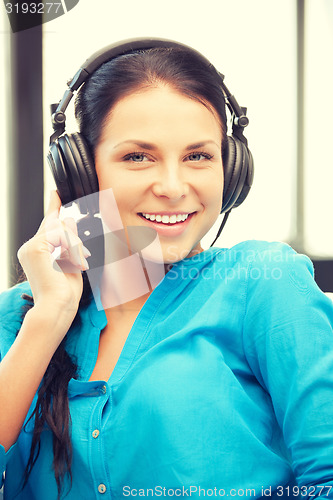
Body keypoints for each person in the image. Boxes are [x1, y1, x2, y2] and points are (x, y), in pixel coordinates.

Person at [0, 38, 333, 500]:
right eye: (138, 156)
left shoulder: (262, 282)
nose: (174, 187)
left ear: (231, 171)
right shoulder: (20, 316)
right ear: (81, 173)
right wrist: (49, 318)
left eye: (198, 156)